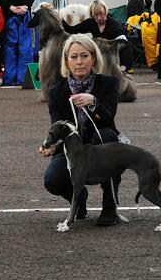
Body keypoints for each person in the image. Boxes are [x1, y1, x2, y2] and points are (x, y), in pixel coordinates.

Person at [38, 34, 121, 226]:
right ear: (66, 61)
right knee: (52, 179)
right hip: (72, 148)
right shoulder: (56, 91)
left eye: (84, 56)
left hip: (100, 144)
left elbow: (109, 118)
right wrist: (50, 146)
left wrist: (94, 103)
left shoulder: (108, 84)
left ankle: (110, 205)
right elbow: (57, 125)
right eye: (73, 57)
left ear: (93, 58)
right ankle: (79, 197)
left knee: (107, 137)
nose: (79, 62)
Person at [64, 0, 134, 69]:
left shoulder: (115, 27)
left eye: (101, 14)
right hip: (100, 58)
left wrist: (123, 66)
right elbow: (72, 30)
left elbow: (126, 46)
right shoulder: (91, 23)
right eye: (96, 15)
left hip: (114, 60)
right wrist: (59, 18)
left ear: (105, 12)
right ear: (92, 15)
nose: (99, 18)